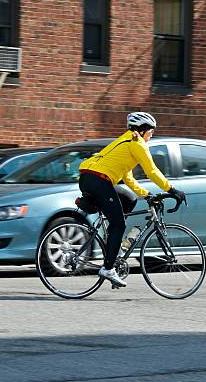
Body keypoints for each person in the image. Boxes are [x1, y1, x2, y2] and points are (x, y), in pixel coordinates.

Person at [78, 112, 186, 287]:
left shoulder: (126, 141)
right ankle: (108, 268)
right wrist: (172, 190)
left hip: (90, 178)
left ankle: (114, 248)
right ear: (143, 130)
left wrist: (146, 194)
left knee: (130, 199)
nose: (151, 136)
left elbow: (128, 177)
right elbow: (152, 171)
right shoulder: (137, 144)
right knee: (118, 224)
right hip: (99, 180)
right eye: (150, 132)